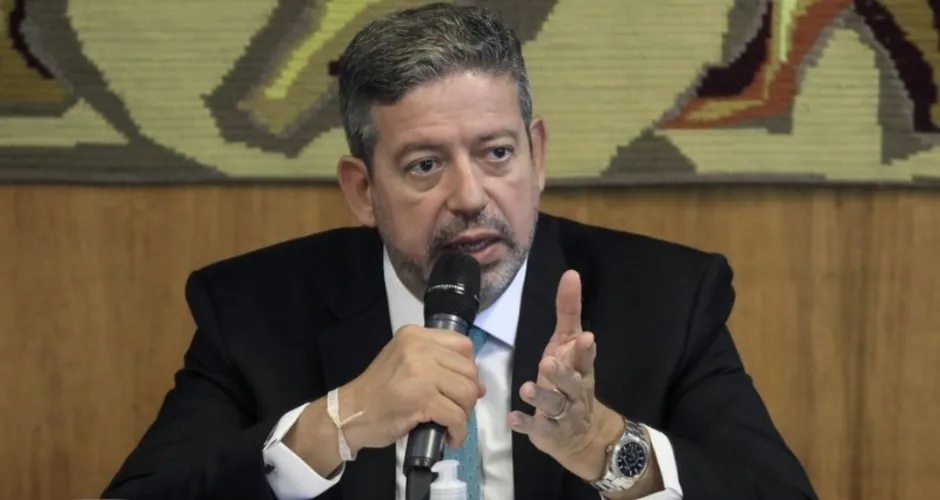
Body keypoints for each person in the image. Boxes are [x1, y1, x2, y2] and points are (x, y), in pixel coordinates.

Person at [101, 4, 818, 500]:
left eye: (497, 153)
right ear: (362, 190)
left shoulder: (666, 299)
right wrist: (339, 421)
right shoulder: (253, 311)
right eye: (424, 166)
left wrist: (604, 445)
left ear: (536, 155)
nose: (470, 196)